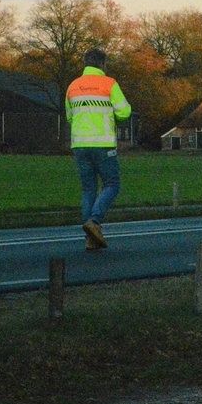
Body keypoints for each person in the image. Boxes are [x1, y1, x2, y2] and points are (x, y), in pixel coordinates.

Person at [65, 48, 132, 251]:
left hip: (79, 145)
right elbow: (125, 111)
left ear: (85, 63)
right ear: (102, 64)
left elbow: (69, 116)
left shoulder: (73, 86)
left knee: (88, 190)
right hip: (103, 145)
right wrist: (115, 119)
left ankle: (91, 238)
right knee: (112, 184)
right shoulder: (109, 84)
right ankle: (94, 221)